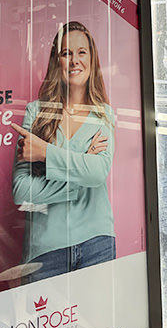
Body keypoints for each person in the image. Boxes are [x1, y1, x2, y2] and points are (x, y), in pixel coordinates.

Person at [11, 20, 116, 283]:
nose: (74, 60)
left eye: (82, 52)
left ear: (92, 60)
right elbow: (21, 191)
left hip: (97, 244)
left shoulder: (104, 114)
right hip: (47, 249)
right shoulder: (36, 112)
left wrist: (45, 152)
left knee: (98, 324)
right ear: (56, 61)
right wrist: (79, 176)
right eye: (66, 53)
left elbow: (97, 174)